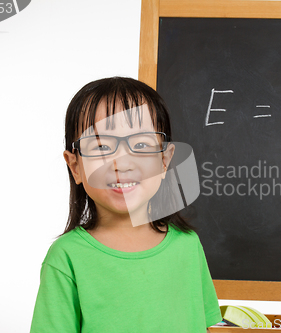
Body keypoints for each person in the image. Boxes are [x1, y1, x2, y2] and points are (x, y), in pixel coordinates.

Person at [30, 77, 222, 333]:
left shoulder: (188, 246)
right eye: (101, 147)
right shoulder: (66, 257)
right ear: (75, 166)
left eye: (141, 145)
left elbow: (206, 325)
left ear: (165, 161)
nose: (122, 163)